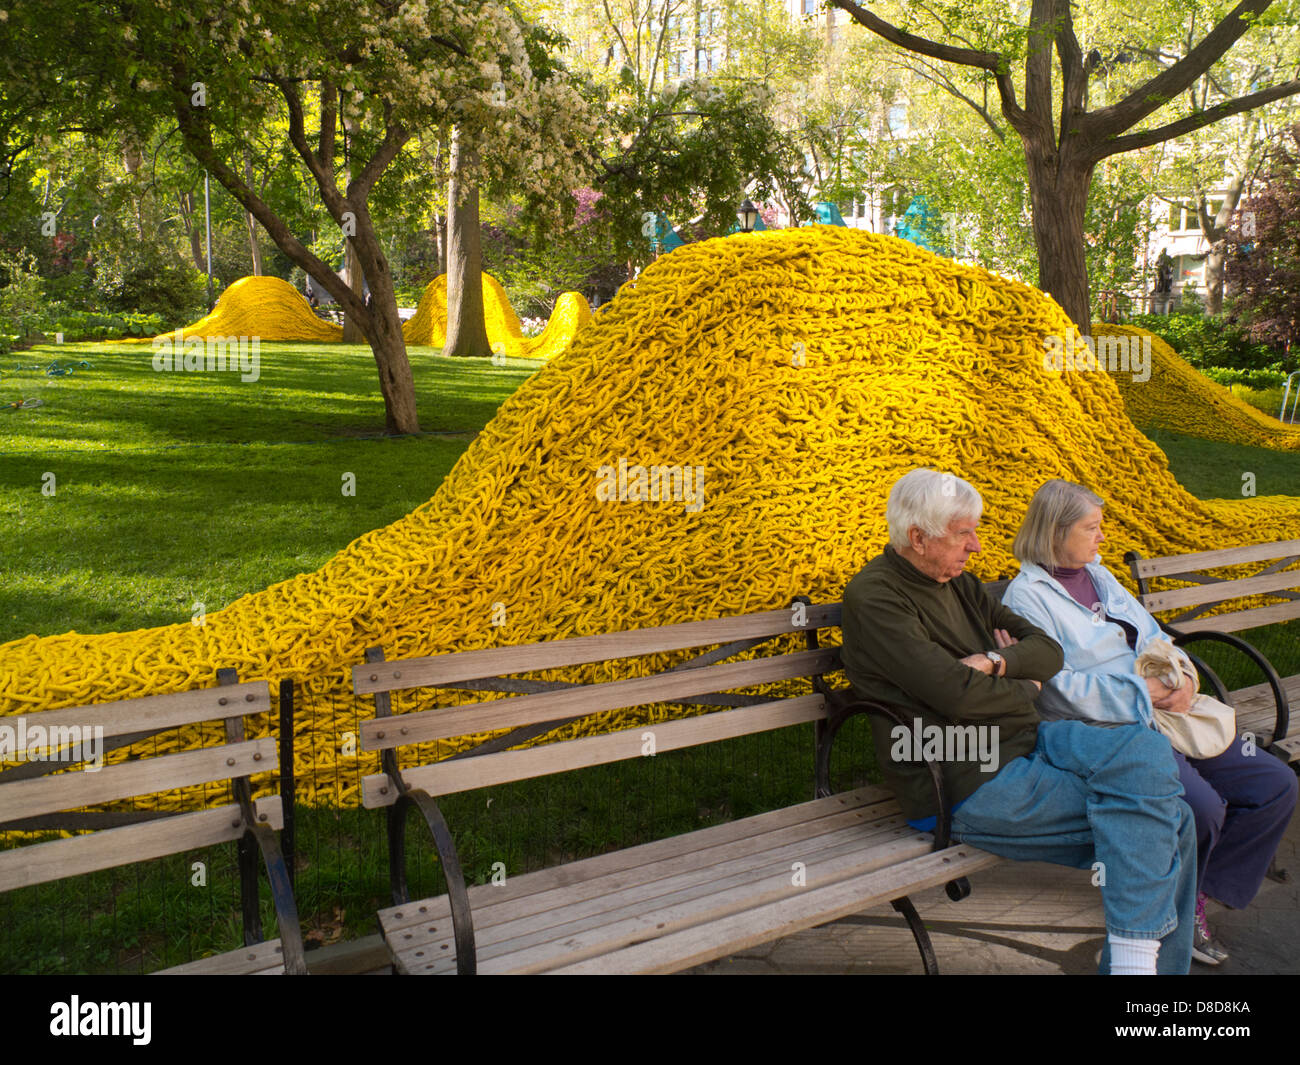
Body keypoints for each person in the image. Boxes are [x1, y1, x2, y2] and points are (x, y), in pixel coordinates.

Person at [841, 468, 1197, 975]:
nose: (977, 547)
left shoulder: (960, 584)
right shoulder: (877, 598)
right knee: (1170, 821)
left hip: (1028, 743)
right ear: (918, 538)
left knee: (1146, 752)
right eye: (964, 533)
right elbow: (954, 696)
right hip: (960, 772)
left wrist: (996, 664)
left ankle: (1136, 972)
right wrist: (1025, 690)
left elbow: (1047, 652)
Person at [1002, 479, 1298, 966]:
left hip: (1169, 713)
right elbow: (1058, 690)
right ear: (1055, 533)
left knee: (1276, 784)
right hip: (1112, 730)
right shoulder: (1025, 598)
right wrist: (1147, 694)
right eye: (1091, 527)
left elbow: (1154, 635)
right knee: (1201, 808)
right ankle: (1170, 919)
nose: (1102, 537)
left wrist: (1182, 676)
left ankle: (1193, 894)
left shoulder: (1099, 574)